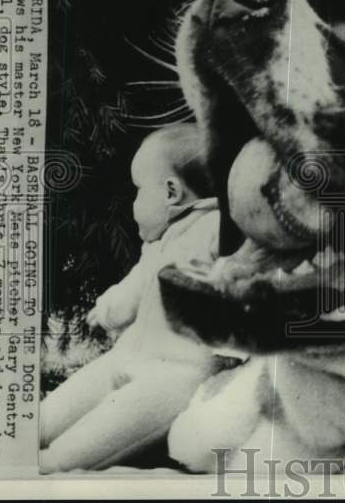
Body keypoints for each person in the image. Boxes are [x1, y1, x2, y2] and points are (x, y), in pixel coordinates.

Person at [40, 123, 222, 473]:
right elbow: (131, 293)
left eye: (138, 191)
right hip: (131, 357)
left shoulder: (216, 231)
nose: (133, 203)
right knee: (69, 402)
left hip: (179, 373)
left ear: (171, 192)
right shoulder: (159, 244)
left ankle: (52, 460)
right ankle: (37, 432)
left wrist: (107, 311)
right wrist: (109, 309)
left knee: (94, 437)